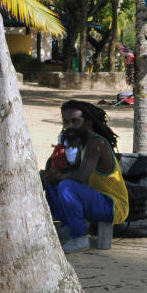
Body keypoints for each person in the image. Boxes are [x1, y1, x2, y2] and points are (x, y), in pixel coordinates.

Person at [40, 101, 129, 253]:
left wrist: (59, 176)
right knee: (51, 182)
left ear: (88, 123)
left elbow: (81, 176)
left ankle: (79, 237)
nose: (69, 126)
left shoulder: (96, 143)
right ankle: (68, 226)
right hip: (95, 198)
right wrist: (50, 174)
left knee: (66, 186)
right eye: (66, 122)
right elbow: (74, 169)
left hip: (113, 206)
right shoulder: (84, 143)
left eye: (75, 121)